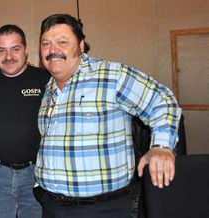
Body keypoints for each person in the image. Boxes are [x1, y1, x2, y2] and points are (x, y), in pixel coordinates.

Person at [33, 14, 182, 218]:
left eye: (62, 42)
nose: (52, 50)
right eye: (46, 43)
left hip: (102, 209)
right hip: (51, 207)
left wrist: (162, 147)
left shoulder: (111, 76)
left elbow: (162, 100)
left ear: (81, 45)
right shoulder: (48, 89)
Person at [0, 24, 50, 218]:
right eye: (2, 50)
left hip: (37, 176)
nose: (8, 56)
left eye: (15, 49)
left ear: (26, 50)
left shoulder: (46, 80)